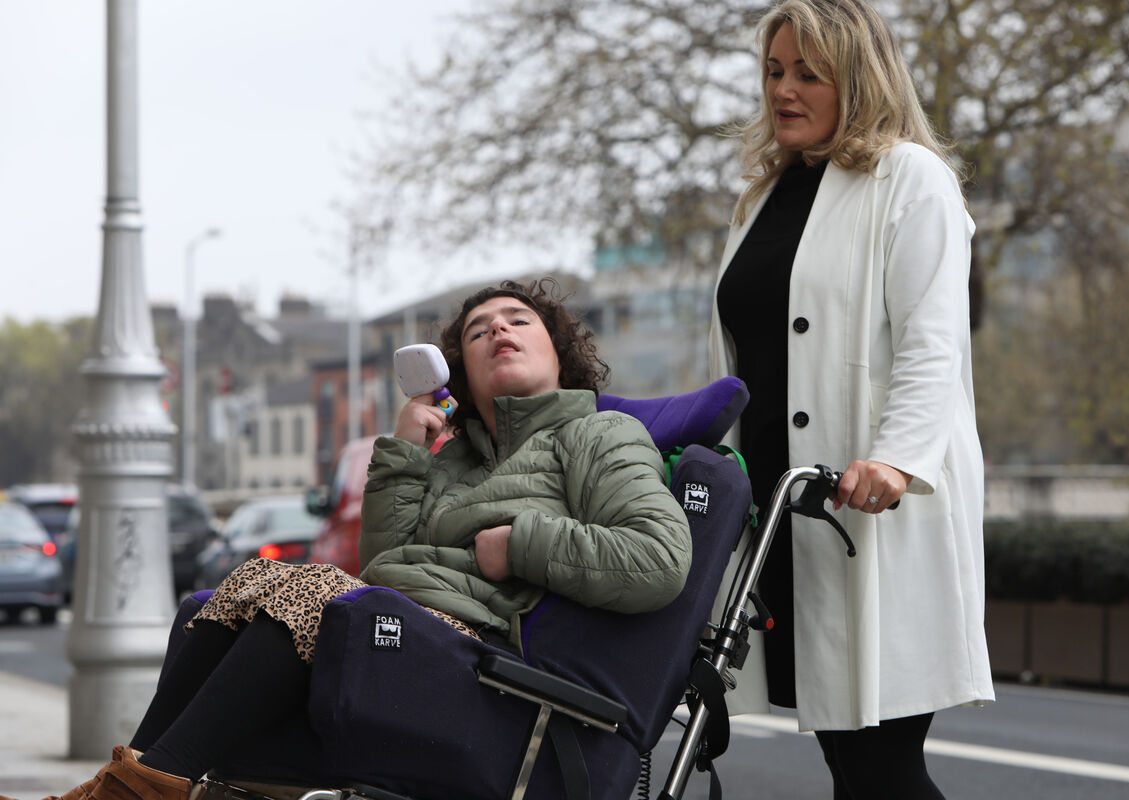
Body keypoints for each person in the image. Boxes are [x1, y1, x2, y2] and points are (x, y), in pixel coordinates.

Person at [22, 278, 691, 800]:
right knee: (243, 584)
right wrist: (404, 451)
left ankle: (135, 791)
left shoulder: (600, 435)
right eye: (480, 330)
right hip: (404, 631)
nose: (499, 332)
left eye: (519, 322)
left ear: (560, 352)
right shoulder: (453, 457)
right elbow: (385, 564)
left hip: (486, 661)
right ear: (458, 372)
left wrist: (518, 544)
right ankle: (137, 783)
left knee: (314, 588)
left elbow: (659, 559)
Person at [708, 1, 994, 797]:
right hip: (783, 512)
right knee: (849, 758)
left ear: (859, 78)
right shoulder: (764, 196)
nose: (783, 91)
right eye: (773, 71)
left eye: (808, 73)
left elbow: (934, 344)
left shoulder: (910, 178)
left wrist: (897, 462)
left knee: (882, 764)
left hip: (870, 509)